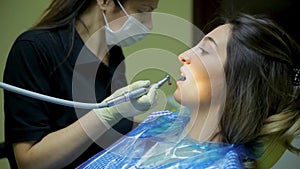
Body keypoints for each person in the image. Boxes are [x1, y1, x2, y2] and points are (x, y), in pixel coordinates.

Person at [76, 13, 300, 169]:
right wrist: (108, 113)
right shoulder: (160, 122)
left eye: (204, 50)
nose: (184, 54)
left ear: (237, 83)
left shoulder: (221, 166)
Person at [3, 0, 160, 168]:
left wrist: (155, 128)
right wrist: (108, 113)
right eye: (142, 11)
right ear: (105, 2)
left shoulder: (114, 55)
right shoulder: (35, 49)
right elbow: (29, 162)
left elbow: (113, 129)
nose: (149, 25)